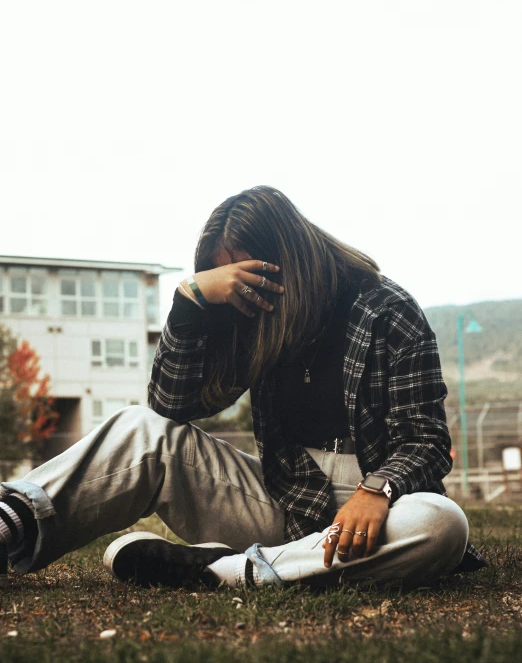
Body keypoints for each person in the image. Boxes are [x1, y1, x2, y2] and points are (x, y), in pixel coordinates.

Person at [0, 186, 486, 590]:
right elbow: (171, 405)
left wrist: (377, 489)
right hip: (284, 507)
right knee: (141, 429)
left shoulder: (386, 309)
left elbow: (426, 441)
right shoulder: (256, 320)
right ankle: (9, 523)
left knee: (441, 523)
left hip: (378, 514)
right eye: (232, 282)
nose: (246, 292)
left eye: (254, 276)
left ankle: (219, 570)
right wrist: (190, 301)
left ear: (289, 260)